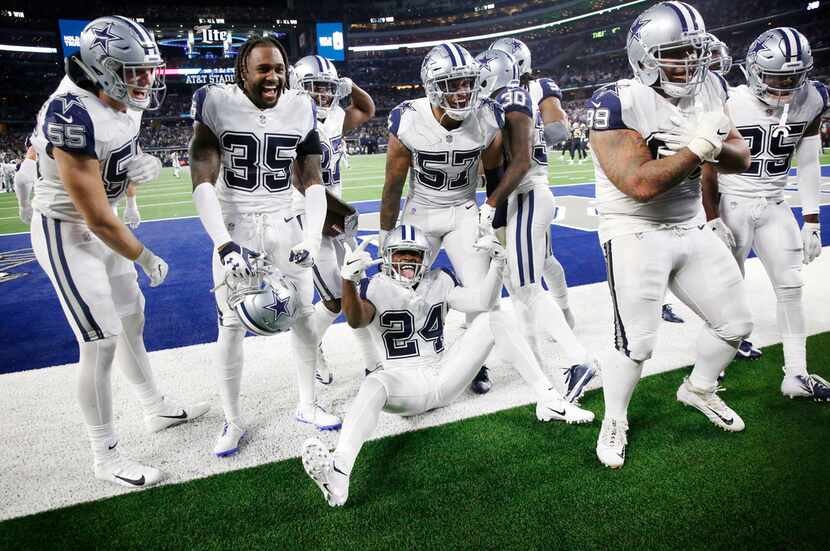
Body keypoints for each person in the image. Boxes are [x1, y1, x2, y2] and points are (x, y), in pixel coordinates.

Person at [29, 16, 208, 488]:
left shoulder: (122, 99)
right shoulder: (70, 111)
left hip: (103, 218)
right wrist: (144, 255)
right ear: (103, 68)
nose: (147, 80)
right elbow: (94, 218)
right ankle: (104, 455)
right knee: (100, 339)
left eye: (149, 69)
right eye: (135, 71)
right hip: (66, 228)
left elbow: (115, 150)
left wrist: (131, 179)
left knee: (131, 319)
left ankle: (155, 407)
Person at [301, 224, 593, 507]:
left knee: (494, 318)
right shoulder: (374, 286)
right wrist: (348, 281)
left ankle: (549, 400)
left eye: (414, 254)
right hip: (404, 384)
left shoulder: (439, 280)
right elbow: (356, 319)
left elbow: (480, 300)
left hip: (445, 373)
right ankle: (339, 471)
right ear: (388, 257)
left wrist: (497, 265)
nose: (407, 260)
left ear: (425, 258)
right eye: (401, 253)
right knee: (374, 382)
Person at [587, 1, 753, 469]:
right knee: (637, 342)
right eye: (677, 53)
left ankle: (698, 388)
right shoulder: (616, 100)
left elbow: (741, 157)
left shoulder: (711, 87)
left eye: (696, 51)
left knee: (736, 325)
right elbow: (639, 185)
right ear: (645, 55)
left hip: (688, 224)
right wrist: (700, 145)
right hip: (633, 229)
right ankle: (614, 418)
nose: (691, 63)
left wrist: (716, 142)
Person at [189, 35, 340, 458]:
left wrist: (311, 236)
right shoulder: (215, 102)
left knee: (304, 317)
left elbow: (312, 180)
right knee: (231, 326)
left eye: (278, 68)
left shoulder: (300, 106)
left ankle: (308, 404)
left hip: (282, 224)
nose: (273, 76)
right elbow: (202, 178)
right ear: (243, 71)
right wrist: (223, 244)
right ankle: (232, 419)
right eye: (263, 69)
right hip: (236, 226)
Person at [702, 28, 830, 400]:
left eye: (793, 76)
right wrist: (712, 216)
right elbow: (707, 165)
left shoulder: (813, 98)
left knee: (791, 287)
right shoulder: (728, 99)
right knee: (725, 290)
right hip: (733, 202)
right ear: (755, 70)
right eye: (776, 77)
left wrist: (811, 221)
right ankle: (710, 374)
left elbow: (808, 161)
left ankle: (796, 373)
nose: (785, 85)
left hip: (775, 202)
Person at [378, 43, 502, 395]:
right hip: (420, 210)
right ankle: (389, 360)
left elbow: (494, 175)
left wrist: (491, 217)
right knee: (396, 288)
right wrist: (387, 233)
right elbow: (392, 187)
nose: (463, 92)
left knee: (481, 294)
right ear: (432, 87)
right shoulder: (409, 118)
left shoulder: (489, 116)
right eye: (453, 83)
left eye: (467, 82)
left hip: (464, 211)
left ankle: (476, 363)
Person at [477, 48, 598, 400]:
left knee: (527, 284)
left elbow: (517, 164)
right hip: (524, 196)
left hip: (527, 194)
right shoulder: (514, 98)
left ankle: (578, 359)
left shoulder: (511, 98)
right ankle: (534, 354)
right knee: (519, 283)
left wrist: (490, 204)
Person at [290, 55, 380, 382]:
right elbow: (299, 181)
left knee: (354, 285)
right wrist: (331, 214)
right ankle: (310, 348)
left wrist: (350, 86)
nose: (324, 96)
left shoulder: (333, 118)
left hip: (334, 214)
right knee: (333, 298)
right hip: (307, 218)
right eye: (315, 89)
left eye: (328, 89)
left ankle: (373, 361)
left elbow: (367, 109)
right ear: (298, 89)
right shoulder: (290, 120)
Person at [490, 37, 575, 329]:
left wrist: (525, 136)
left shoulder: (538, 88)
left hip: (528, 181)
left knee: (542, 257)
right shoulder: (492, 94)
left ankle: (560, 312)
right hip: (505, 183)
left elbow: (558, 130)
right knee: (503, 254)